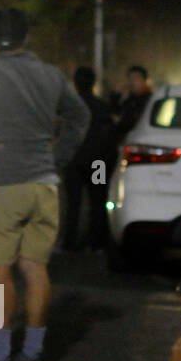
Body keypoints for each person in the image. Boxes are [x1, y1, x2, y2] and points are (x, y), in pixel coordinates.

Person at [0, 8, 90, 361]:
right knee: (35, 268)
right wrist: (57, 156)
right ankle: (31, 354)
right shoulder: (51, 75)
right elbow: (80, 116)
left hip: (1, 183)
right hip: (44, 185)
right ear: (27, 37)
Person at [62, 66, 116, 252]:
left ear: (75, 83)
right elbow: (110, 136)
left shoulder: (69, 107)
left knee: (73, 203)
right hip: (98, 163)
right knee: (97, 202)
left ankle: (69, 242)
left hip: (74, 162)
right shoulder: (102, 107)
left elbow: (63, 135)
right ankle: (96, 242)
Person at [112, 64, 152, 147]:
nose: (132, 82)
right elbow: (116, 111)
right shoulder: (130, 99)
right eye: (130, 79)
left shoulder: (149, 99)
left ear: (144, 80)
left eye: (136, 78)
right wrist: (116, 95)